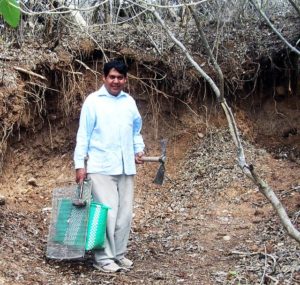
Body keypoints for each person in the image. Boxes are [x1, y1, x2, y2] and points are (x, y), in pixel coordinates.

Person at [74, 60, 145, 272]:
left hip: (125, 167)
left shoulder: (129, 102)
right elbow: (83, 134)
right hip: (100, 166)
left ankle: (118, 255)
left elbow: (135, 131)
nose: (116, 81)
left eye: (120, 78)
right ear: (104, 78)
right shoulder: (93, 101)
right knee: (107, 213)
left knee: (124, 214)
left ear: (125, 80)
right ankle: (103, 258)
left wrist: (138, 150)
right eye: (112, 77)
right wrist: (80, 164)